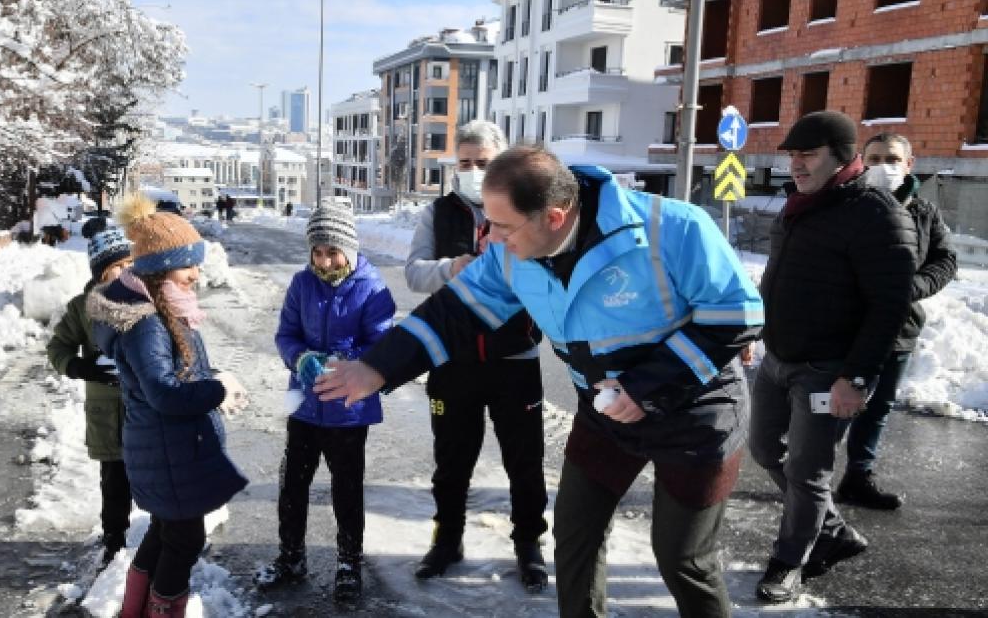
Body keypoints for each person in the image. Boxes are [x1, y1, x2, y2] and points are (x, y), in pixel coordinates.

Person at [316, 145, 763, 617]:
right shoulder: (511, 254)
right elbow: (453, 312)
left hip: (696, 413)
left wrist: (647, 388)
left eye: (504, 226)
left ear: (553, 216)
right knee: (574, 544)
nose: (490, 237)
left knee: (682, 559)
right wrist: (377, 367)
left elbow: (737, 315)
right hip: (605, 414)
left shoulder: (673, 228)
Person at [749, 111, 917, 603]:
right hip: (779, 358)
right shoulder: (801, 203)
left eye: (808, 154)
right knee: (763, 449)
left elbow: (891, 307)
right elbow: (778, 278)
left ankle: (789, 561)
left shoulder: (876, 213)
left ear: (843, 158)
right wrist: (755, 329)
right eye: (792, 155)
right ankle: (833, 529)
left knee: (808, 471)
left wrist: (857, 377)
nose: (796, 164)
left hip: (828, 369)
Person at [402, 121, 548, 590]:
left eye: (483, 162)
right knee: (452, 460)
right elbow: (413, 273)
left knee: (524, 461)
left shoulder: (527, 208)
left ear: (502, 163)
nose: (473, 170)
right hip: (453, 361)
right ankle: (447, 539)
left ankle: (529, 544)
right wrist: (451, 268)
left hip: (515, 361)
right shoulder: (439, 214)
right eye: (464, 162)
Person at [89, 194, 249, 618]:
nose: (196, 274)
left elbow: (182, 373)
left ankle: (133, 611)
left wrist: (215, 381)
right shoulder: (147, 323)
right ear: (160, 269)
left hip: (167, 450)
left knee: (165, 532)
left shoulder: (165, 308)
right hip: (166, 451)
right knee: (184, 540)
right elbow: (163, 392)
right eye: (188, 265)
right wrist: (217, 392)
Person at [255, 202, 396, 602]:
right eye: (317, 251)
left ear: (348, 249)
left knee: (346, 489)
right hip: (304, 402)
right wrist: (300, 358)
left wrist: (346, 360)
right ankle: (291, 556)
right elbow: (286, 334)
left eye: (332, 251)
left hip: (348, 408)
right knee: (293, 484)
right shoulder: (302, 284)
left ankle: (349, 564)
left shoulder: (372, 287)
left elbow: (382, 344)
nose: (324, 260)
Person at [837, 133, 957, 509]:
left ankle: (858, 476)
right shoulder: (844, 206)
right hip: (846, 329)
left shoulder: (925, 213)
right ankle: (808, 477)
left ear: (909, 164)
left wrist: (910, 288)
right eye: (873, 158)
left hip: (899, 330)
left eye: (891, 158)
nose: (881, 166)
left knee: (878, 407)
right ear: (860, 161)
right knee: (831, 405)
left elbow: (946, 260)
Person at [47, 223, 135, 564]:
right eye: (117, 267)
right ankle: (114, 542)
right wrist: (79, 368)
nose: (125, 273)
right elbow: (58, 347)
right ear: (101, 273)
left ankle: (164, 535)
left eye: (130, 265)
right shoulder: (82, 308)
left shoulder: (148, 300)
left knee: (156, 476)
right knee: (114, 484)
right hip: (107, 416)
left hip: (145, 409)